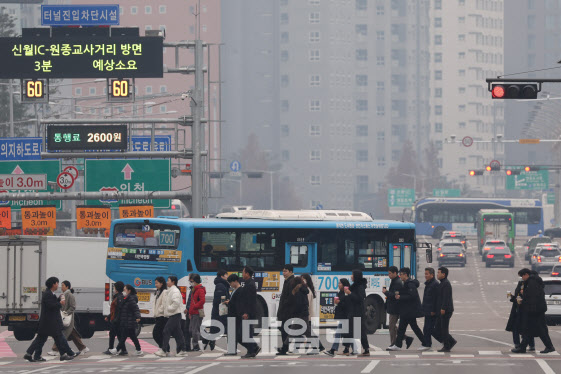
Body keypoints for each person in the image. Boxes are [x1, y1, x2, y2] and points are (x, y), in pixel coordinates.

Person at [24, 277, 76, 362]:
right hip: (50, 322)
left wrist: (58, 299)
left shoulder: (50, 293)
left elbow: (52, 303)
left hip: (48, 322)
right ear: (53, 284)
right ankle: (63, 355)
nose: (58, 285)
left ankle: (30, 354)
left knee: (40, 339)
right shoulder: (48, 294)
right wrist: (60, 303)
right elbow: (51, 306)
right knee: (58, 337)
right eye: (57, 283)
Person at [512, 269, 555, 354]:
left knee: (538, 329)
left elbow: (532, 297)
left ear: (526, 274)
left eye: (522, 276)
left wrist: (524, 296)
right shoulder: (534, 280)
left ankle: (549, 346)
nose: (522, 278)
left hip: (534, 310)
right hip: (537, 309)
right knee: (532, 329)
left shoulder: (532, 282)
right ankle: (523, 347)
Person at [386, 267, 425, 351]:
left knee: (413, 327)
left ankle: (425, 343)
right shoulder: (406, 283)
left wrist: (400, 297)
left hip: (410, 310)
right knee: (402, 328)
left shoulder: (410, 284)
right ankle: (398, 345)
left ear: (405, 275)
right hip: (406, 310)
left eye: (401, 274)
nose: (400, 276)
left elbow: (412, 296)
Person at [48, 280, 89, 356]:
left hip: (68, 318)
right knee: (72, 334)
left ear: (67, 287)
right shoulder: (63, 295)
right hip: (65, 318)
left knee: (61, 334)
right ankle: (83, 348)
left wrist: (66, 313)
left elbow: (73, 307)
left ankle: (55, 349)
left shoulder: (70, 295)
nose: (61, 287)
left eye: (63, 285)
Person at [156, 276, 188, 357]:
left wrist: (169, 308)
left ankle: (164, 350)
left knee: (166, 331)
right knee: (178, 333)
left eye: (168, 280)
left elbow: (176, 303)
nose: (167, 282)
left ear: (173, 282)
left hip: (175, 314)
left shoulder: (175, 291)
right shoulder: (170, 291)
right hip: (173, 314)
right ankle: (183, 350)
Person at [507, 274, 535, 352]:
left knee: (523, 327)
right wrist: (512, 297)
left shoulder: (528, 286)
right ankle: (526, 344)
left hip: (524, 310)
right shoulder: (521, 285)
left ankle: (522, 345)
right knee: (521, 327)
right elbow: (517, 297)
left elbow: (527, 297)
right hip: (518, 310)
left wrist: (521, 298)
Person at [324, 278, 351, 357]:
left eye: (340, 283)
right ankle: (348, 349)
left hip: (346, 316)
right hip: (343, 316)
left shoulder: (346, 293)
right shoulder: (340, 293)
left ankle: (333, 350)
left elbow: (347, 305)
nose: (338, 285)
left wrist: (339, 302)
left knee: (339, 333)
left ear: (344, 285)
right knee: (347, 333)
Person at [238, 266, 261, 358]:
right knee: (245, 333)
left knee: (246, 333)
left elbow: (250, 301)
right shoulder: (249, 283)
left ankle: (251, 351)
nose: (242, 274)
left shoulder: (250, 285)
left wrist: (246, 312)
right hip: (248, 312)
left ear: (247, 274)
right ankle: (253, 348)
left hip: (249, 313)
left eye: (243, 272)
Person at [383, 266, 408, 346]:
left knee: (391, 326)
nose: (388, 275)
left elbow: (394, 295)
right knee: (392, 326)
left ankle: (393, 343)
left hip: (395, 308)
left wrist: (386, 292)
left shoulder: (397, 282)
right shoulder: (395, 281)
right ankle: (405, 337)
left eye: (390, 273)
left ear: (395, 273)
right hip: (394, 307)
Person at [433, 267, 457, 352]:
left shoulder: (446, 283)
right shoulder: (442, 283)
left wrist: (443, 308)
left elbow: (446, 298)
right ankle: (451, 341)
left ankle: (447, 346)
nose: (437, 274)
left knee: (443, 329)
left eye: (438, 273)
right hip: (441, 310)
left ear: (443, 274)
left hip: (445, 310)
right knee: (437, 329)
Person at [346, 269, 370, 356]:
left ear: (356, 276)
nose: (351, 276)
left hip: (358, 311)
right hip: (355, 310)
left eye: (352, 275)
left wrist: (350, 293)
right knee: (357, 331)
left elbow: (360, 298)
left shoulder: (360, 286)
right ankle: (364, 349)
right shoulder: (356, 285)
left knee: (357, 331)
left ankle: (361, 349)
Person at [115, 284, 143, 356]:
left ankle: (117, 349)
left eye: (125, 290)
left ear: (129, 291)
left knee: (124, 336)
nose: (123, 291)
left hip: (129, 321)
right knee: (132, 336)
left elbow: (136, 308)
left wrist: (138, 317)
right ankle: (139, 350)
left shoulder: (130, 299)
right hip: (126, 320)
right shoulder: (126, 298)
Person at [205, 269, 230, 350]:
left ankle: (209, 340)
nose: (227, 277)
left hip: (220, 310)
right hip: (220, 311)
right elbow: (219, 299)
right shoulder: (221, 285)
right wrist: (225, 301)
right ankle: (206, 339)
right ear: (222, 276)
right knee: (225, 328)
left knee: (217, 328)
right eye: (226, 275)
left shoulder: (222, 284)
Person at [302, 273, 325, 354]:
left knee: (308, 332)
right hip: (308, 315)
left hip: (308, 315)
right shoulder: (308, 289)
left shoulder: (307, 291)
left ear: (306, 280)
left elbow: (306, 303)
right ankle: (319, 346)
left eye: (302, 278)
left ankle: (316, 347)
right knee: (309, 332)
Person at [276, 264, 295, 355]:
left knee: (285, 330)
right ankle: (285, 347)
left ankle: (284, 348)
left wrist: (284, 306)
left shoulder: (291, 281)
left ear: (290, 272)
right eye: (283, 271)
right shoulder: (287, 281)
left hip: (287, 311)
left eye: (285, 271)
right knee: (284, 329)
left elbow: (290, 297)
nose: (283, 273)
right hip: (285, 310)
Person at [103, 281, 125, 355]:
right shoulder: (117, 296)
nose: (114, 289)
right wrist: (109, 316)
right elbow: (114, 310)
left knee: (112, 334)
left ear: (117, 288)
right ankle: (123, 349)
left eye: (114, 287)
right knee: (118, 334)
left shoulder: (119, 298)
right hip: (115, 319)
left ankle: (111, 348)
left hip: (116, 320)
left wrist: (115, 319)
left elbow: (118, 310)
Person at [420, 267, 439, 351]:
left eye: (427, 274)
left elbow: (436, 299)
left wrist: (434, 310)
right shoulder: (429, 283)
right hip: (427, 310)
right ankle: (427, 344)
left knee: (429, 328)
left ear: (432, 275)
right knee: (427, 328)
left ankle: (428, 344)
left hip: (431, 311)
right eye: (425, 274)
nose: (425, 275)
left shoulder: (435, 284)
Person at [224, 273, 242, 356]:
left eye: (230, 283)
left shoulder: (239, 290)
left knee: (233, 333)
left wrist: (230, 303)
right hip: (231, 315)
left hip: (235, 315)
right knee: (231, 333)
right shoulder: (234, 290)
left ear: (235, 281)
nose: (230, 285)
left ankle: (232, 350)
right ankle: (231, 350)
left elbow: (237, 304)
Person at [188, 274, 206, 352]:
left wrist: (194, 307)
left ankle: (196, 346)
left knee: (194, 330)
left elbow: (202, 301)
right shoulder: (194, 289)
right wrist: (190, 312)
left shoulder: (199, 289)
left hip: (197, 312)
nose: (190, 283)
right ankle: (204, 339)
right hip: (193, 312)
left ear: (195, 281)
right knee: (192, 329)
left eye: (191, 281)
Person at [152, 277, 168, 349]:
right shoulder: (158, 292)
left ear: (161, 283)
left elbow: (164, 304)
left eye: (157, 283)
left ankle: (164, 348)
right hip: (158, 316)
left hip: (162, 316)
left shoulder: (164, 292)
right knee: (161, 334)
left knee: (156, 334)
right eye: (155, 283)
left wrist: (159, 311)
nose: (155, 285)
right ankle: (164, 348)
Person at [183, 273, 196, 351]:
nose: (189, 282)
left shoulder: (196, 289)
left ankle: (205, 339)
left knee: (192, 330)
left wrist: (189, 309)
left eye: (190, 280)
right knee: (187, 329)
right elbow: (189, 300)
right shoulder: (192, 289)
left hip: (193, 312)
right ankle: (187, 346)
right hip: (189, 310)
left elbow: (193, 301)